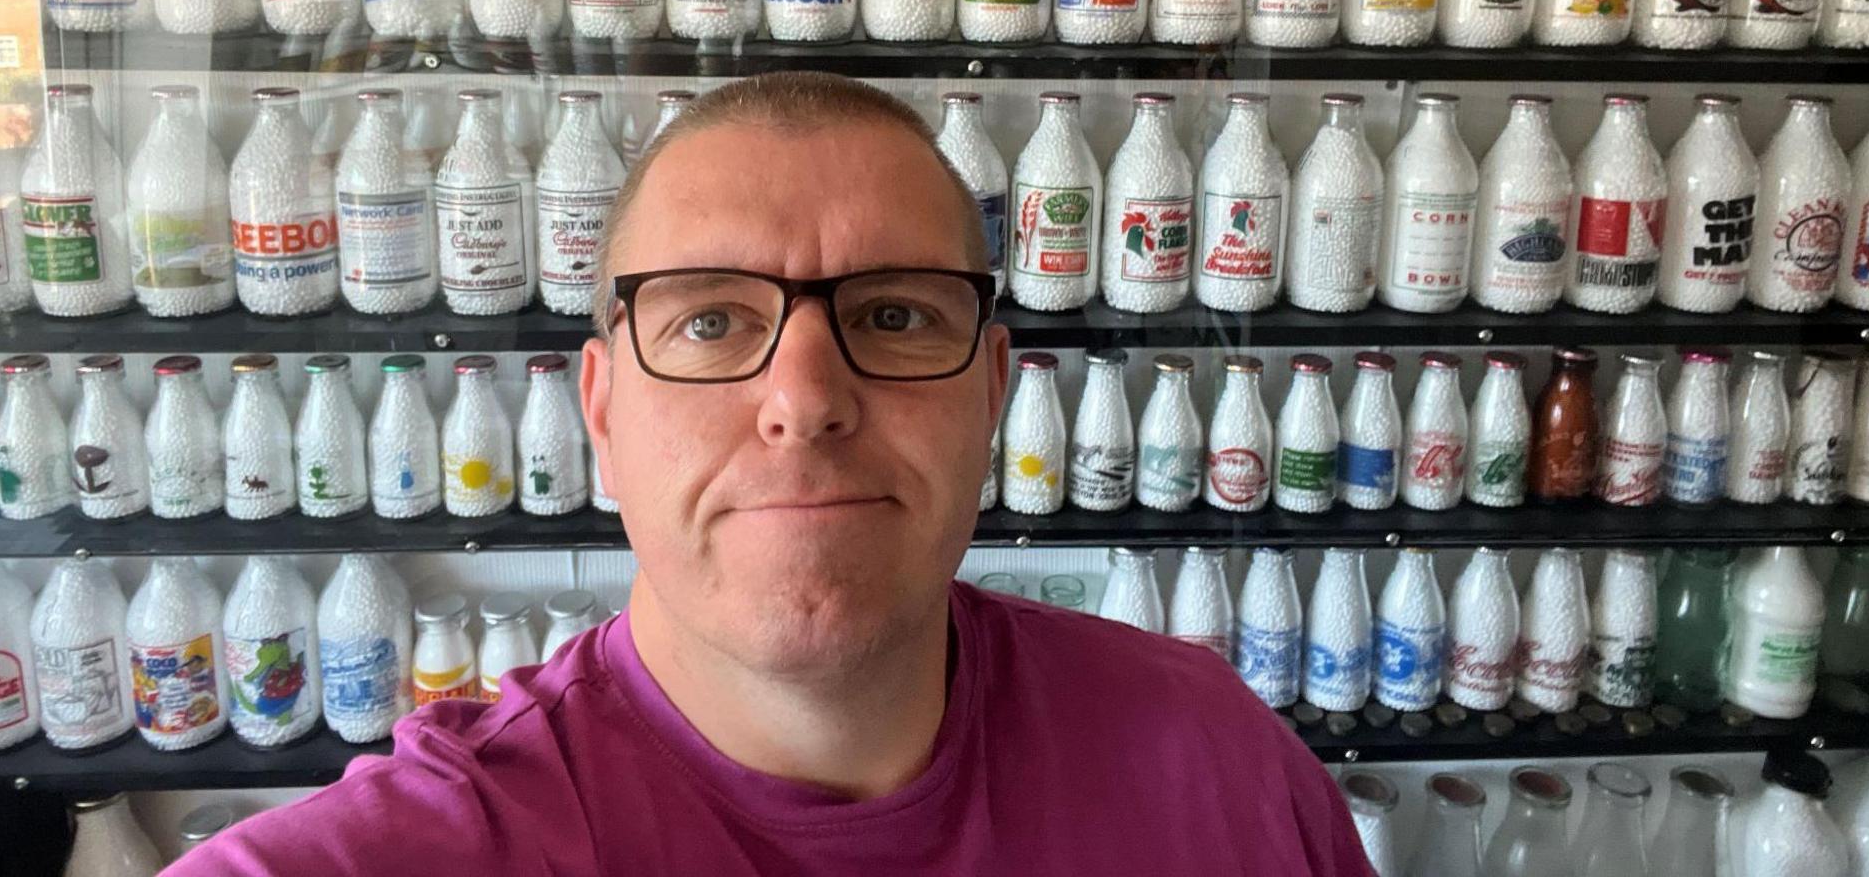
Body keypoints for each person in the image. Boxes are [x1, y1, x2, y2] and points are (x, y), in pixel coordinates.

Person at [171, 72, 1371, 876]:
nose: (804, 402)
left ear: (992, 390)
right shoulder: (436, 844)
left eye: (895, 314)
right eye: (707, 323)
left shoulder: (1212, 756)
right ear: (601, 409)